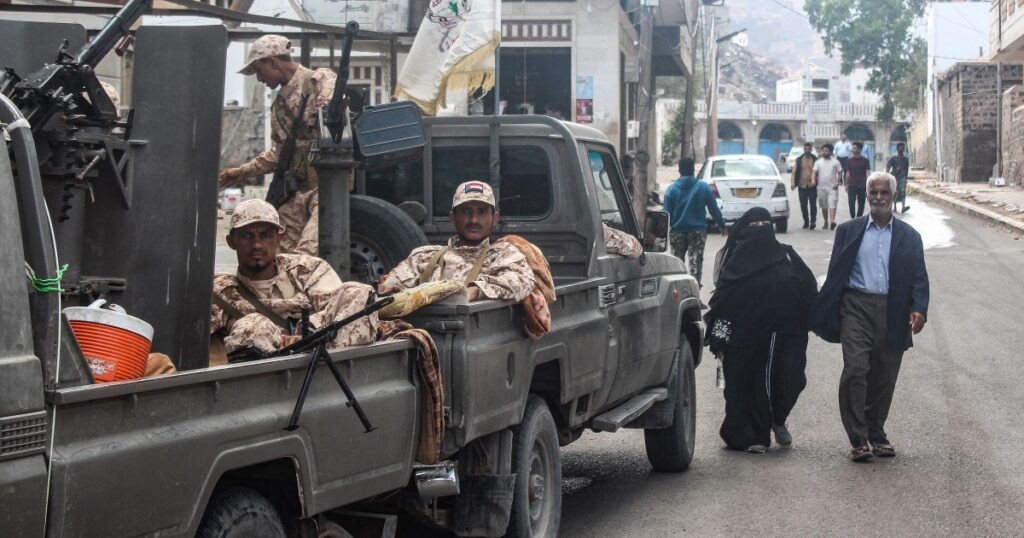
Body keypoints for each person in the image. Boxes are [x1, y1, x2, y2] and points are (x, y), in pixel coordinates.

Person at [809, 172, 929, 462]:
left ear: (894, 197)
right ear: (866, 196)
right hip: (856, 307)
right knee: (856, 368)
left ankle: (876, 432)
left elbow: (918, 276)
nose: (878, 198)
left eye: (884, 193)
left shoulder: (910, 237)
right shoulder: (848, 231)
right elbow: (836, 273)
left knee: (884, 375)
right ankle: (858, 438)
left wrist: (919, 308)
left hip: (893, 309)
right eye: (873, 192)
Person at [705, 208, 818, 453]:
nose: (760, 229)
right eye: (754, 224)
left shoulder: (786, 255)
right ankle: (757, 435)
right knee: (750, 385)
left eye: (765, 223)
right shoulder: (732, 260)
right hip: (745, 337)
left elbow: (808, 288)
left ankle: (777, 418)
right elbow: (723, 300)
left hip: (787, 332)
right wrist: (719, 341)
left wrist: (815, 318)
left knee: (792, 379)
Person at [218, 35, 338, 256]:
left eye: (259, 70)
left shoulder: (318, 80)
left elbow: (333, 107)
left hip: (328, 186)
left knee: (307, 253)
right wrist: (242, 172)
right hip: (298, 191)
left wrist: (327, 103)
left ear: (272, 63)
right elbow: (279, 155)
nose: (259, 78)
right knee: (276, 254)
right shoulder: (280, 107)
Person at [210, 199, 377, 356]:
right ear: (231, 242)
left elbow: (336, 309)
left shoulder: (307, 269)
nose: (257, 244)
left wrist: (304, 337)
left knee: (360, 292)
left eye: (265, 235)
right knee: (254, 325)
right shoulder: (219, 292)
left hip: (322, 360)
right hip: (268, 371)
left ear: (279, 238)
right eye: (246, 236)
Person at [380, 181, 536, 302]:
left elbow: (522, 282)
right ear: (453, 217)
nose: (474, 220)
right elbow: (388, 289)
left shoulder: (504, 256)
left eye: (482, 212)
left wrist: (475, 291)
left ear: (494, 219)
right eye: (466, 211)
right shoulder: (423, 257)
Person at [662, 157, 727, 288]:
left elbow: (666, 215)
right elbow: (713, 209)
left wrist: (660, 235)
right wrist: (722, 225)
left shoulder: (671, 190)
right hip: (697, 232)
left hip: (677, 233)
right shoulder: (703, 187)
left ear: (679, 170)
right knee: (695, 264)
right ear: (693, 169)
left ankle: (679, 292)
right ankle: (695, 293)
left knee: (677, 265)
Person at [813, 143, 842, 230]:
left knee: (832, 204)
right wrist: (813, 180)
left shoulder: (836, 162)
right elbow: (814, 172)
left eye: (826, 151)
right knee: (824, 207)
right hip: (821, 188)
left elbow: (840, 172)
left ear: (831, 152)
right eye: (823, 151)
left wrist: (838, 182)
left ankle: (832, 222)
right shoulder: (818, 162)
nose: (824, 152)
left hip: (833, 188)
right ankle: (826, 221)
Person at [790, 142, 818, 229]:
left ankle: (813, 221)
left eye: (809, 149)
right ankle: (806, 221)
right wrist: (793, 183)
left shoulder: (815, 159)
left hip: (812, 185)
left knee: (813, 204)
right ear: (803, 149)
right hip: (802, 185)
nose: (807, 151)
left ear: (811, 149)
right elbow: (794, 172)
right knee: (803, 205)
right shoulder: (799, 160)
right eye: (805, 149)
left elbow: (819, 171)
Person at [845, 141, 870, 218]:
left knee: (861, 203)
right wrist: (846, 184)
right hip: (852, 184)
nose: (852, 150)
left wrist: (868, 185)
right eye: (852, 148)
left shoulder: (865, 160)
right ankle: (852, 217)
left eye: (854, 148)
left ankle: (859, 217)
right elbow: (848, 173)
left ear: (859, 149)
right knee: (851, 202)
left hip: (862, 185)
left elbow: (867, 173)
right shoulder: (849, 160)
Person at [887, 143, 911, 214]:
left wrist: (906, 178)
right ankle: (894, 207)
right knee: (895, 192)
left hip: (902, 177)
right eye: (900, 148)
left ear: (904, 149)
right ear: (897, 149)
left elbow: (906, 169)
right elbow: (888, 166)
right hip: (894, 177)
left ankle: (903, 207)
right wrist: (888, 174)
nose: (901, 149)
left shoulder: (905, 159)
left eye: (902, 148)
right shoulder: (893, 158)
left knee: (903, 191)